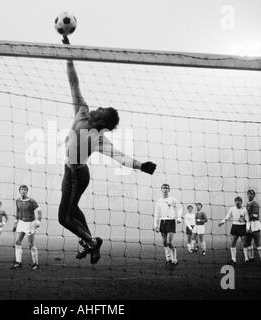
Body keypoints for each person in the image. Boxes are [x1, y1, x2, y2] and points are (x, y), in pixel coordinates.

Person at [59, 35, 157, 265]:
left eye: (102, 110)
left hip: (78, 175)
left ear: (103, 121)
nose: (99, 107)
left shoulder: (98, 139)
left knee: (64, 218)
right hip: (68, 171)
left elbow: (120, 157)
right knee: (71, 212)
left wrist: (141, 166)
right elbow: (74, 82)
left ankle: (91, 242)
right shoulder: (82, 110)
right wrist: (68, 53)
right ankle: (90, 241)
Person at [12, 185, 43, 270]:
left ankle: (35, 264)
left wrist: (38, 222)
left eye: (25, 189)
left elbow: (39, 212)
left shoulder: (31, 201)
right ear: (19, 191)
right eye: (22, 189)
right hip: (21, 223)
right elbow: (18, 212)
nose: (23, 191)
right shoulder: (17, 200)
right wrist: (15, 223)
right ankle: (18, 262)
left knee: (31, 244)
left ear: (27, 191)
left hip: (29, 224)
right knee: (17, 242)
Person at [154, 184, 183, 270]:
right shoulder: (159, 201)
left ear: (169, 190)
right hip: (162, 222)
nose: (165, 189)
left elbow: (180, 207)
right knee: (164, 242)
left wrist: (179, 218)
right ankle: (168, 258)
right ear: (161, 189)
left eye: (167, 188)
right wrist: (155, 225)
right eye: (163, 188)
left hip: (171, 221)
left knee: (169, 242)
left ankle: (174, 258)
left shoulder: (173, 199)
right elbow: (156, 213)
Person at [219, 196, 249, 264]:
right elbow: (227, 217)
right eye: (236, 202)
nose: (238, 203)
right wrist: (222, 222)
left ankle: (246, 258)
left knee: (244, 243)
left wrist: (247, 228)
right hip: (235, 227)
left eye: (239, 202)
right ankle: (233, 259)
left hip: (242, 227)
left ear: (241, 202)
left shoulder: (244, 210)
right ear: (235, 202)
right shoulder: (232, 209)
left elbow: (247, 220)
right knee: (233, 242)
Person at [245, 189, 261, 264]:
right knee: (248, 242)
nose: (249, 195)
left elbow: (255, 215)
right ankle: (251, 258)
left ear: (254, 195)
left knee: (257, 242)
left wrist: (246, 217)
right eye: (248, 194)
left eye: (251, 194)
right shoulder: (247, 204)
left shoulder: (255, 204)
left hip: (255, 225)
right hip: (249, 224)